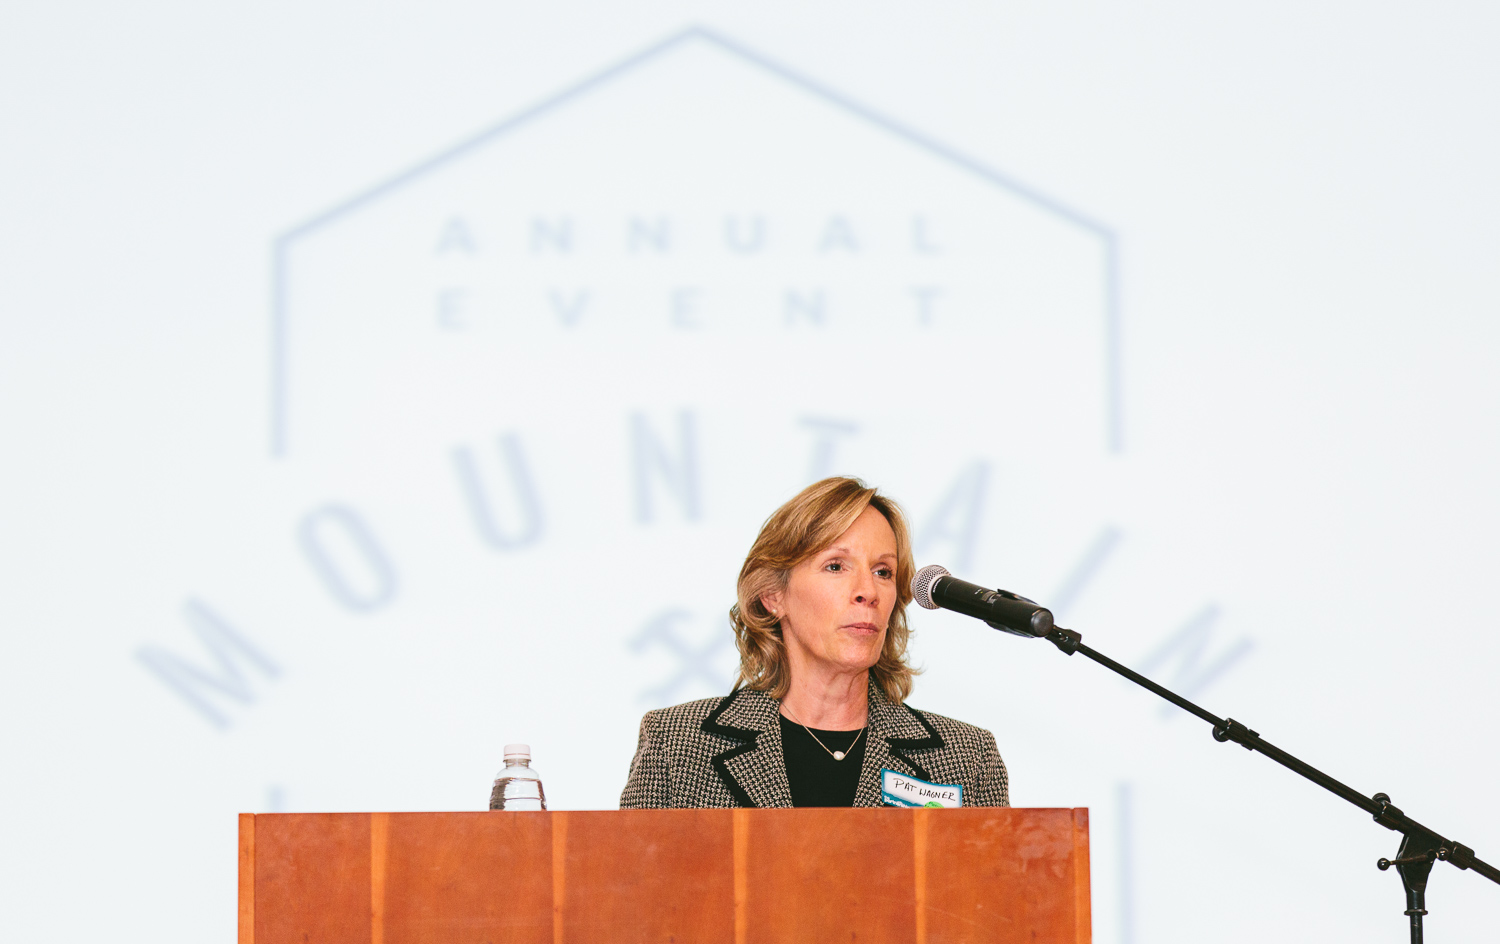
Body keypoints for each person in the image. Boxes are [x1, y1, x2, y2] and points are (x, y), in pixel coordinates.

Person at [620, 476, 1009, 809]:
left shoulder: (966, 759)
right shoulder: (677, 746)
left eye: (883, 571)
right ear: (773, 595)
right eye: (836, 566)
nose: (868, 591)